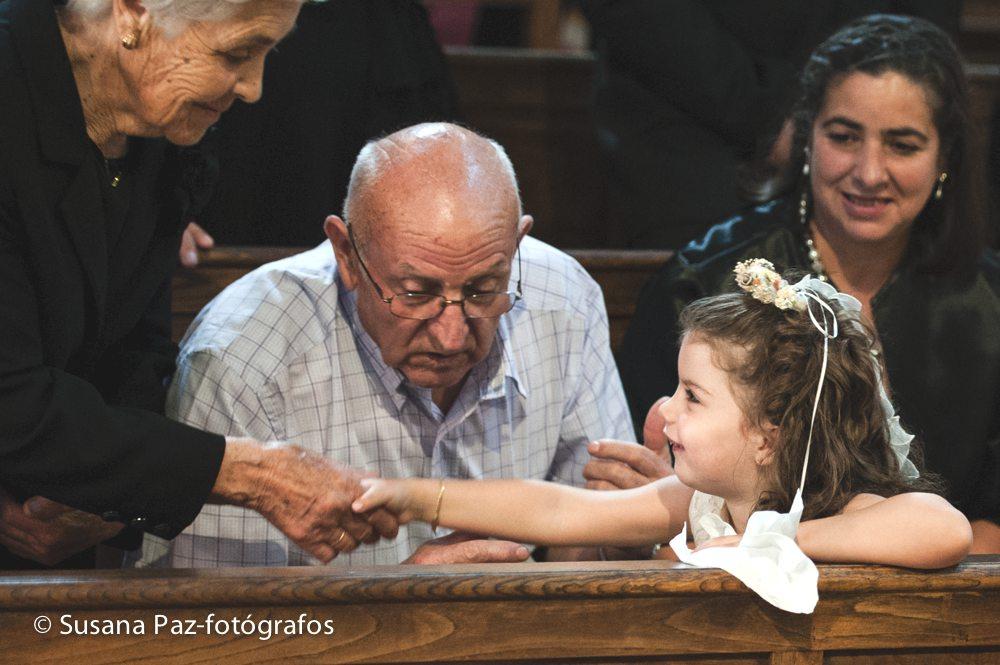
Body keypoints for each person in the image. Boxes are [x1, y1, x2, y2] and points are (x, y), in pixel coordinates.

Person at [0, 0, 402, 570]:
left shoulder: (158, 126)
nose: (254, 89)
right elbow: (9, 395)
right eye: (236, 53)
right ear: (132, 12)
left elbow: (132, 353)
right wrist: (250, 472)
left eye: (266, 54)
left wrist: (105, 502)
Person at [134, 122, 634, 568]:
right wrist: (399, 607)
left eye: (483, 290)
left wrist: (625, 539)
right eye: (416, 294)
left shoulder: (563, 303)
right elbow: (210, 622)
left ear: (517, 245)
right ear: (347, 254)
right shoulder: (245, 359)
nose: (451, 336)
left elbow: (586, 548)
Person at [616, 15, 1000, 552]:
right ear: (806, 138)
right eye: (844, 137)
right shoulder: (701, 281)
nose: (869, 172)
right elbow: (645, 492)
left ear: (945, 157)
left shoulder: (989, 302)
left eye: (902, 145)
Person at [352, 262, 973, 578]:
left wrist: (775, 541)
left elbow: (942, 527)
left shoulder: (837, 508)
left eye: (692, 397)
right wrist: (416, 498)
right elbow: (561, 510)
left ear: (770, 436)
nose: (665, 410)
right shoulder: (699, 498)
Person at [578, 1, 961, 249]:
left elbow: (924, 27)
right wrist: (775, 117)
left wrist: (872, 96)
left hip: (871, 92)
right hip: (689, 127)